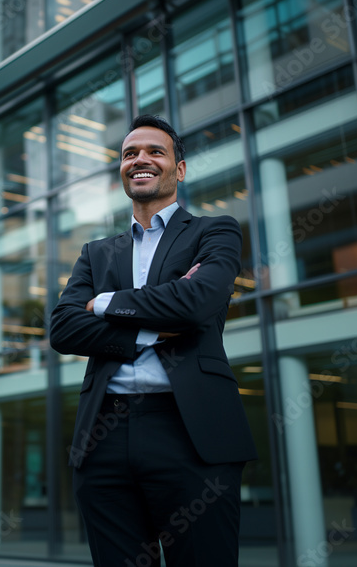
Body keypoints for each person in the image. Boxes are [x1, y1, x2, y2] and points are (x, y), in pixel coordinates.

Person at [49, 114, 257, 566]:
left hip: (192, 434)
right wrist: (153, 324)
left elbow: (198, 302)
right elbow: (63, 329)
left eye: (154, 151)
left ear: (178, 169)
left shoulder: (214, 231)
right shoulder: (96, 252)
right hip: (104, 437)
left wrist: (103, 304)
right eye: (129, 154)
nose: (140, 159)